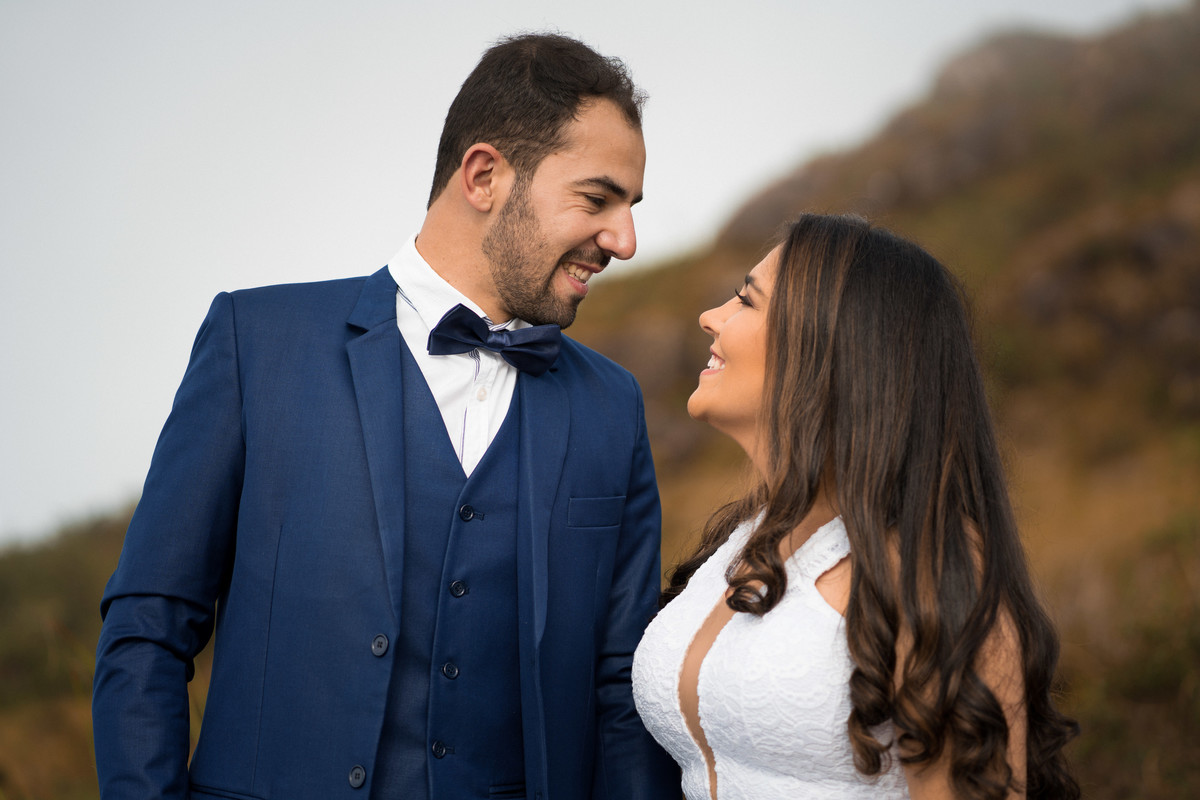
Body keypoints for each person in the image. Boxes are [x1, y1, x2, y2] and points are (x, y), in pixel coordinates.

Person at [93, 32, 678, 800]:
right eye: (597, 199)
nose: (624, 241)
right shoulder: (257, 345)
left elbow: (620, 694)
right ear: (483, 176)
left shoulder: (612, 406)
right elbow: (148, 631)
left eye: (631, 208)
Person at [632, 213, 1079, 799]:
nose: (710, 316)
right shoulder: (739, 540)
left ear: (828, 344)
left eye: (746, 300)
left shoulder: (928, 562)